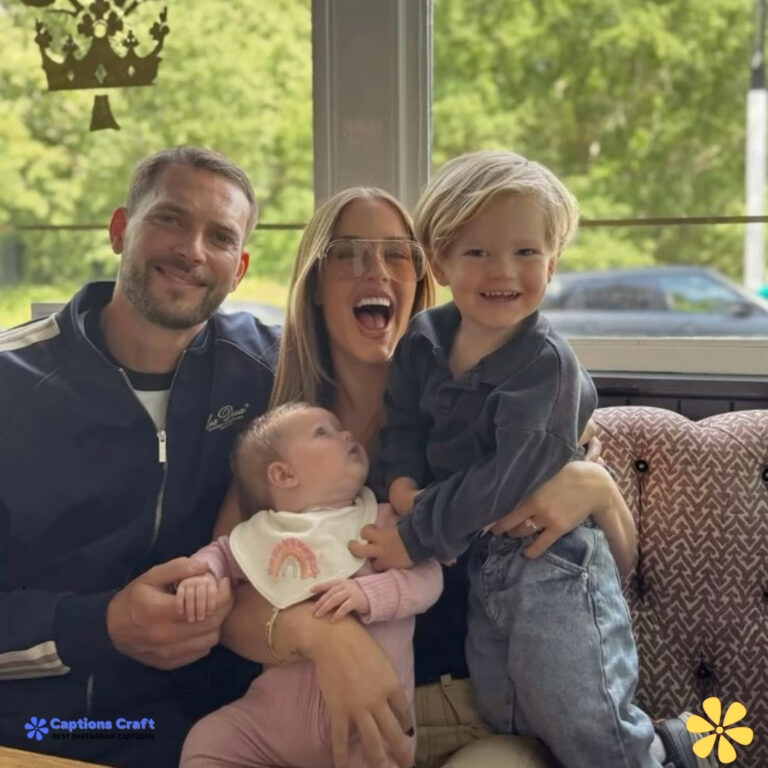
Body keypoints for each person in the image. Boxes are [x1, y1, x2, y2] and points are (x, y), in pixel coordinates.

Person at [212, 184, 646, 768]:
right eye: (350, 253)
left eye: (397, 254)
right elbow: (229, 608)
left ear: (423, 276)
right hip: (318, 721)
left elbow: (610, 572)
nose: (378, 270)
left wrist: (598, 487)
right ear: (315, 283)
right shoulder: (283, 442)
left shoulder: (494, 413)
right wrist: (324, 637)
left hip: (474, 718)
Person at [353, 150, 714, 768]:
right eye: (477, 252)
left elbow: (509, 477)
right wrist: (403, 478)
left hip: (552, 561)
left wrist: (415, 531)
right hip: (480, 565)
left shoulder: (544, 362)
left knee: (585, 728)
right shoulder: (423, 341)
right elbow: (404, 421)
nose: (504, 271)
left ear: (552, 262)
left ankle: (671, 752)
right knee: (509, 714)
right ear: (439, 261)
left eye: (526, 252)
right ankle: (674, 741)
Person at [0, 146, 280, 767]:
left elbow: (404, 387)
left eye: (220, 236)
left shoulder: (267, 371)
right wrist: (99, 627)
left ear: (240, 270)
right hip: (41, 731)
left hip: (218, 731)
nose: (192, 251)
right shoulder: (9, 383)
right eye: (171, 220)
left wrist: (549, 470)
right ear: (121, 230)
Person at [177, 402, 443, 767]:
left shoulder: (383, 521)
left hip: (367, 725)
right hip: (270, 722)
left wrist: (368, 595)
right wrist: (202, 578)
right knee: (207, 740)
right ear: (283, 475)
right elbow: (221, 554)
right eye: (324, 432)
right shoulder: (264, 534)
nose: (345, 434)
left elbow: (429, 578)